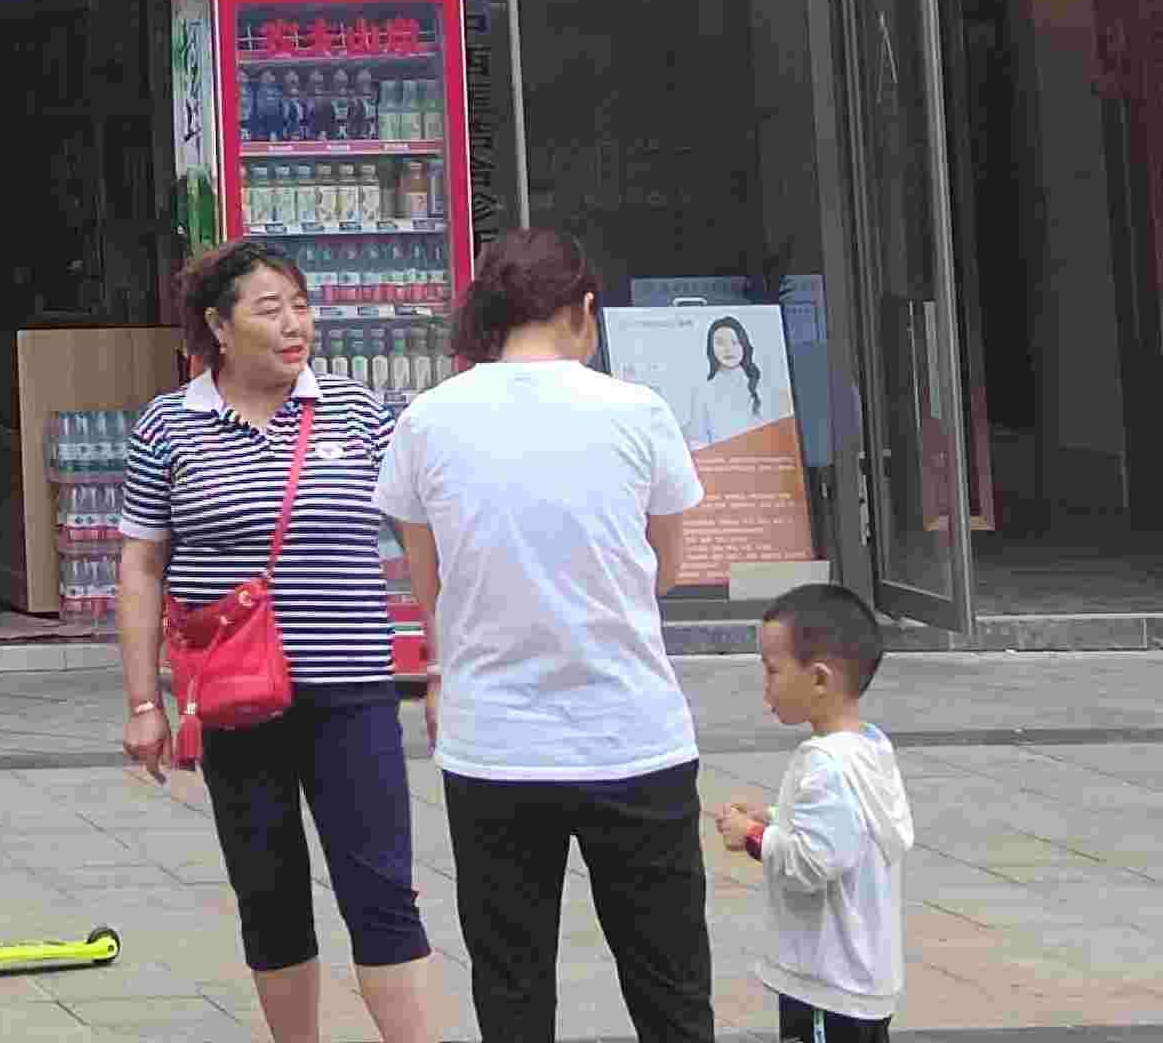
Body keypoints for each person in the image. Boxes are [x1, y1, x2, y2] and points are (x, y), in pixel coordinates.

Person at [376, 226, 712, 1043]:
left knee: (512, 985)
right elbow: (666, 570)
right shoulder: (637, 411)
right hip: (633, 737)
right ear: (583, 310)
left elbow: (430, 587)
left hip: (493, 745)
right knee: (669, 986)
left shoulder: (429, 419)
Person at [119, 241, 435, 1043]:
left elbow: (419, 538)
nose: (296, 326)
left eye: (301, 306)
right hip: (235, 698)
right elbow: (142, 564)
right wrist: (144, 702)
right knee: (269, 897)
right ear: (220, 328)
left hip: (354, 694)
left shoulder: (359, 411)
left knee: (383, 894)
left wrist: (443, 662)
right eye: (270, 309)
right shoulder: (168, 423)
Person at [715, 585, 910, 1043]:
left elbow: (813, 862)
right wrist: (775, 816)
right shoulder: (869, 748)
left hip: (829, 985)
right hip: (862, 978)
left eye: (772, 670)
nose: (765, 685)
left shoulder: (825, 763)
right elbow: (848, 828)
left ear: (820, 679)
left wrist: (752, 835)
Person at [688, 320, 775, 452]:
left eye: (734, 342)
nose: (728, 349)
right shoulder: (702, 392)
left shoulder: (762, 387)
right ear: (711, 348)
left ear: (744, 345)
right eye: (720, 343)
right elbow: (697, 442)